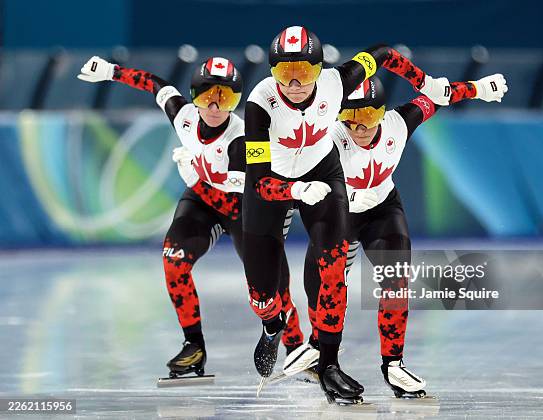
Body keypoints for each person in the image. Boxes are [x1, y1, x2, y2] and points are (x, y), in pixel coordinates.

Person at [242, 25, 457, 403]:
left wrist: (425, 82)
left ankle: (328, 365)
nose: (294, 84)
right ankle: (272, 324)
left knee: (333, 266)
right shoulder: (260, 103)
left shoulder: (336, 84)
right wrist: (295, 190)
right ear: (271, 74)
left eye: (304, 73)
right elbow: (259, 183)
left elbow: (384, 53)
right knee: (263, 294)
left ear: (319, 70)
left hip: (322, 174)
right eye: (283, 74)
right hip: (272, 185)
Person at [77, 55, 304, 380]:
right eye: (206, 96)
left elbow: (257, 180)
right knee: (174, 261)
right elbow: (156, 85)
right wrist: (113, 72)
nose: (214, 106)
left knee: (274, 288)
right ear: (194, 97)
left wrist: (198, 175)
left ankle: (295, 346)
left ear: (235, 102)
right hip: (203, 202)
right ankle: (193, 345)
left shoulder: (245, 136)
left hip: (244, 208)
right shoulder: (182, 116)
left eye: (225, 98)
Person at [288, 74, 507, 398]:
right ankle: (323, 353)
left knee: (395, 283)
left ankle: (393, 364)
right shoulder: (327, 136)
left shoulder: (399, 123)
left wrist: (479, 89)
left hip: (382, 212)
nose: (359, 129)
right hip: (339, 217)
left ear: (383, 113)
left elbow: (439, 96)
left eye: (368, 118)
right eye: (350, 119)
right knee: (320, 286)